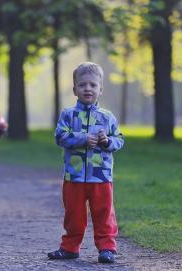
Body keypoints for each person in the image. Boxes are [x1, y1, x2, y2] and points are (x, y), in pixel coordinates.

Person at [47, 62, 124, 263]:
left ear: (100, 90)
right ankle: (70, 247)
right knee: (74, 214)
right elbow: (60, 137)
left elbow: (119, 139)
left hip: (101, 176)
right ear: (75, 90)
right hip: (74, 175)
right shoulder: (68, 114)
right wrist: (82, 138)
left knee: (103, 213)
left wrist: (107, 142)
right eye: (82, 85)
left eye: (92, 85)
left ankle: (107, 248)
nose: (87, 89)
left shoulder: (107, 117)